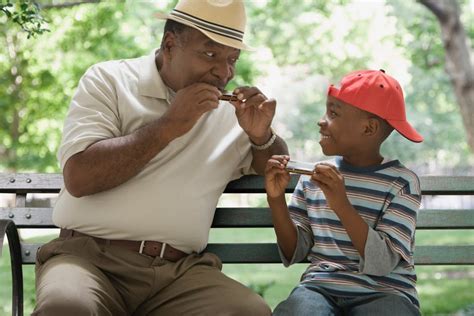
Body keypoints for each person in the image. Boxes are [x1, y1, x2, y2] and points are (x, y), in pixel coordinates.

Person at [33, 1, 288, 315]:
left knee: (249, 311)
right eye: (210, 55)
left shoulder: (231, 114)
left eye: (231, 59)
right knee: (66, 308)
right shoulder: (109, 80)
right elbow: (79, 178)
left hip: (178, 275)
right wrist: (170, 125)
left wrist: (262, 137)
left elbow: (273, 167)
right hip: (87, 259)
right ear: (170, 45)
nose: (224, 72)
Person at [265, 69, 423, 316]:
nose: (321, 120)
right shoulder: (313, 178)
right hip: (321, 288)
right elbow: (294, 251)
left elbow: (382, 263)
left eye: (333, 113)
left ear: (369, 129)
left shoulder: (402, 183)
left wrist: (341, 204)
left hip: (385, 292)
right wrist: (275, 200)